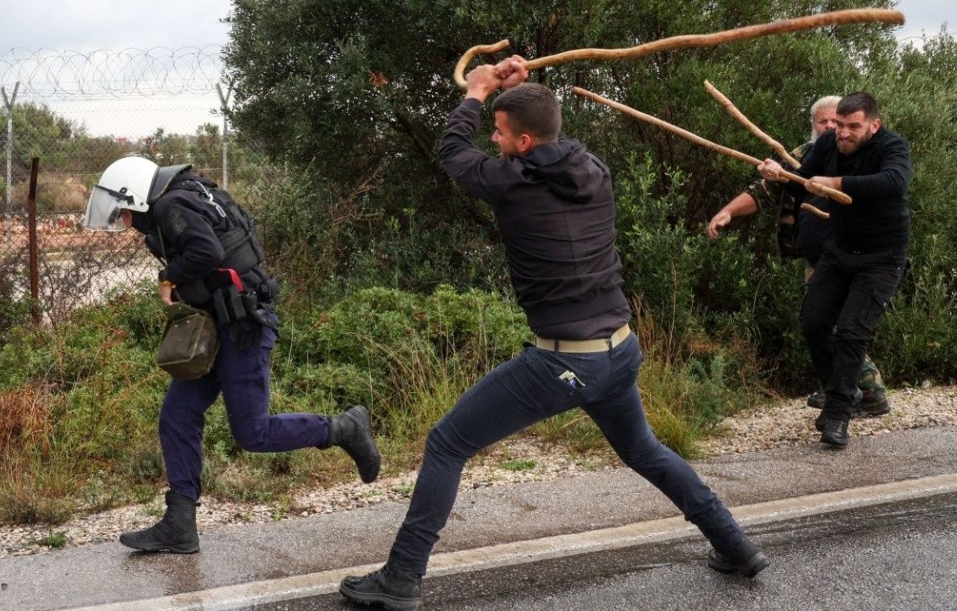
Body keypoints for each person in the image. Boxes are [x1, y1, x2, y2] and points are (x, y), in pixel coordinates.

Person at [338, 58, 769, 611]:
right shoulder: (594, 168)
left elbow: (453, 151)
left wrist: (476, 92)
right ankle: (734, 545)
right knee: (644, 449)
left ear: (522, 142)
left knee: (447, 442)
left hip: (566, 363)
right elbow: (550, 135)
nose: (493, 141)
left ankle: (400, 579)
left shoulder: (512, 184)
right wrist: (518, 93)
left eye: (500, 134)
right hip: (619, 349)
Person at [82, 156, 381, 553]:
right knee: (178, 416)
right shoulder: (182, 198)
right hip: (216, 323)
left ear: (135, 196)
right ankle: (179, 525)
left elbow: (206, 251)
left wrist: (168, 277)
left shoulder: (170, 206)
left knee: (253, 433)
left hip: (242, 326)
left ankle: (343, 428)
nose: (123, 221)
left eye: (123, 211)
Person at [707, 97, 889, 418]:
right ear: (814, 125)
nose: (831, 128)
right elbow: (765, 190)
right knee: (820, 321)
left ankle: (866, 392)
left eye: (837, 122)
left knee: (842, 323)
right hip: (820, 258)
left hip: (859, 256)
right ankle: (846, 390)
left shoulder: (866, 154)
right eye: (824, 122)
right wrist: (728, 212)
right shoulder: (805, 155)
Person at [758, 92, 910, 447]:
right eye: (839, 125)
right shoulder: (827, 144)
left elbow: (894, 182)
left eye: (853, 127)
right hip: (839, 253)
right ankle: (843, 390)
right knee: (813, 322)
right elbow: (803, 182)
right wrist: (779, 175)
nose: (843, 133)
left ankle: (838, 414)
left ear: (874, 125)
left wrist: (836, 183)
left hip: (881, 258)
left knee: (852, 331)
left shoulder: (893, 147)